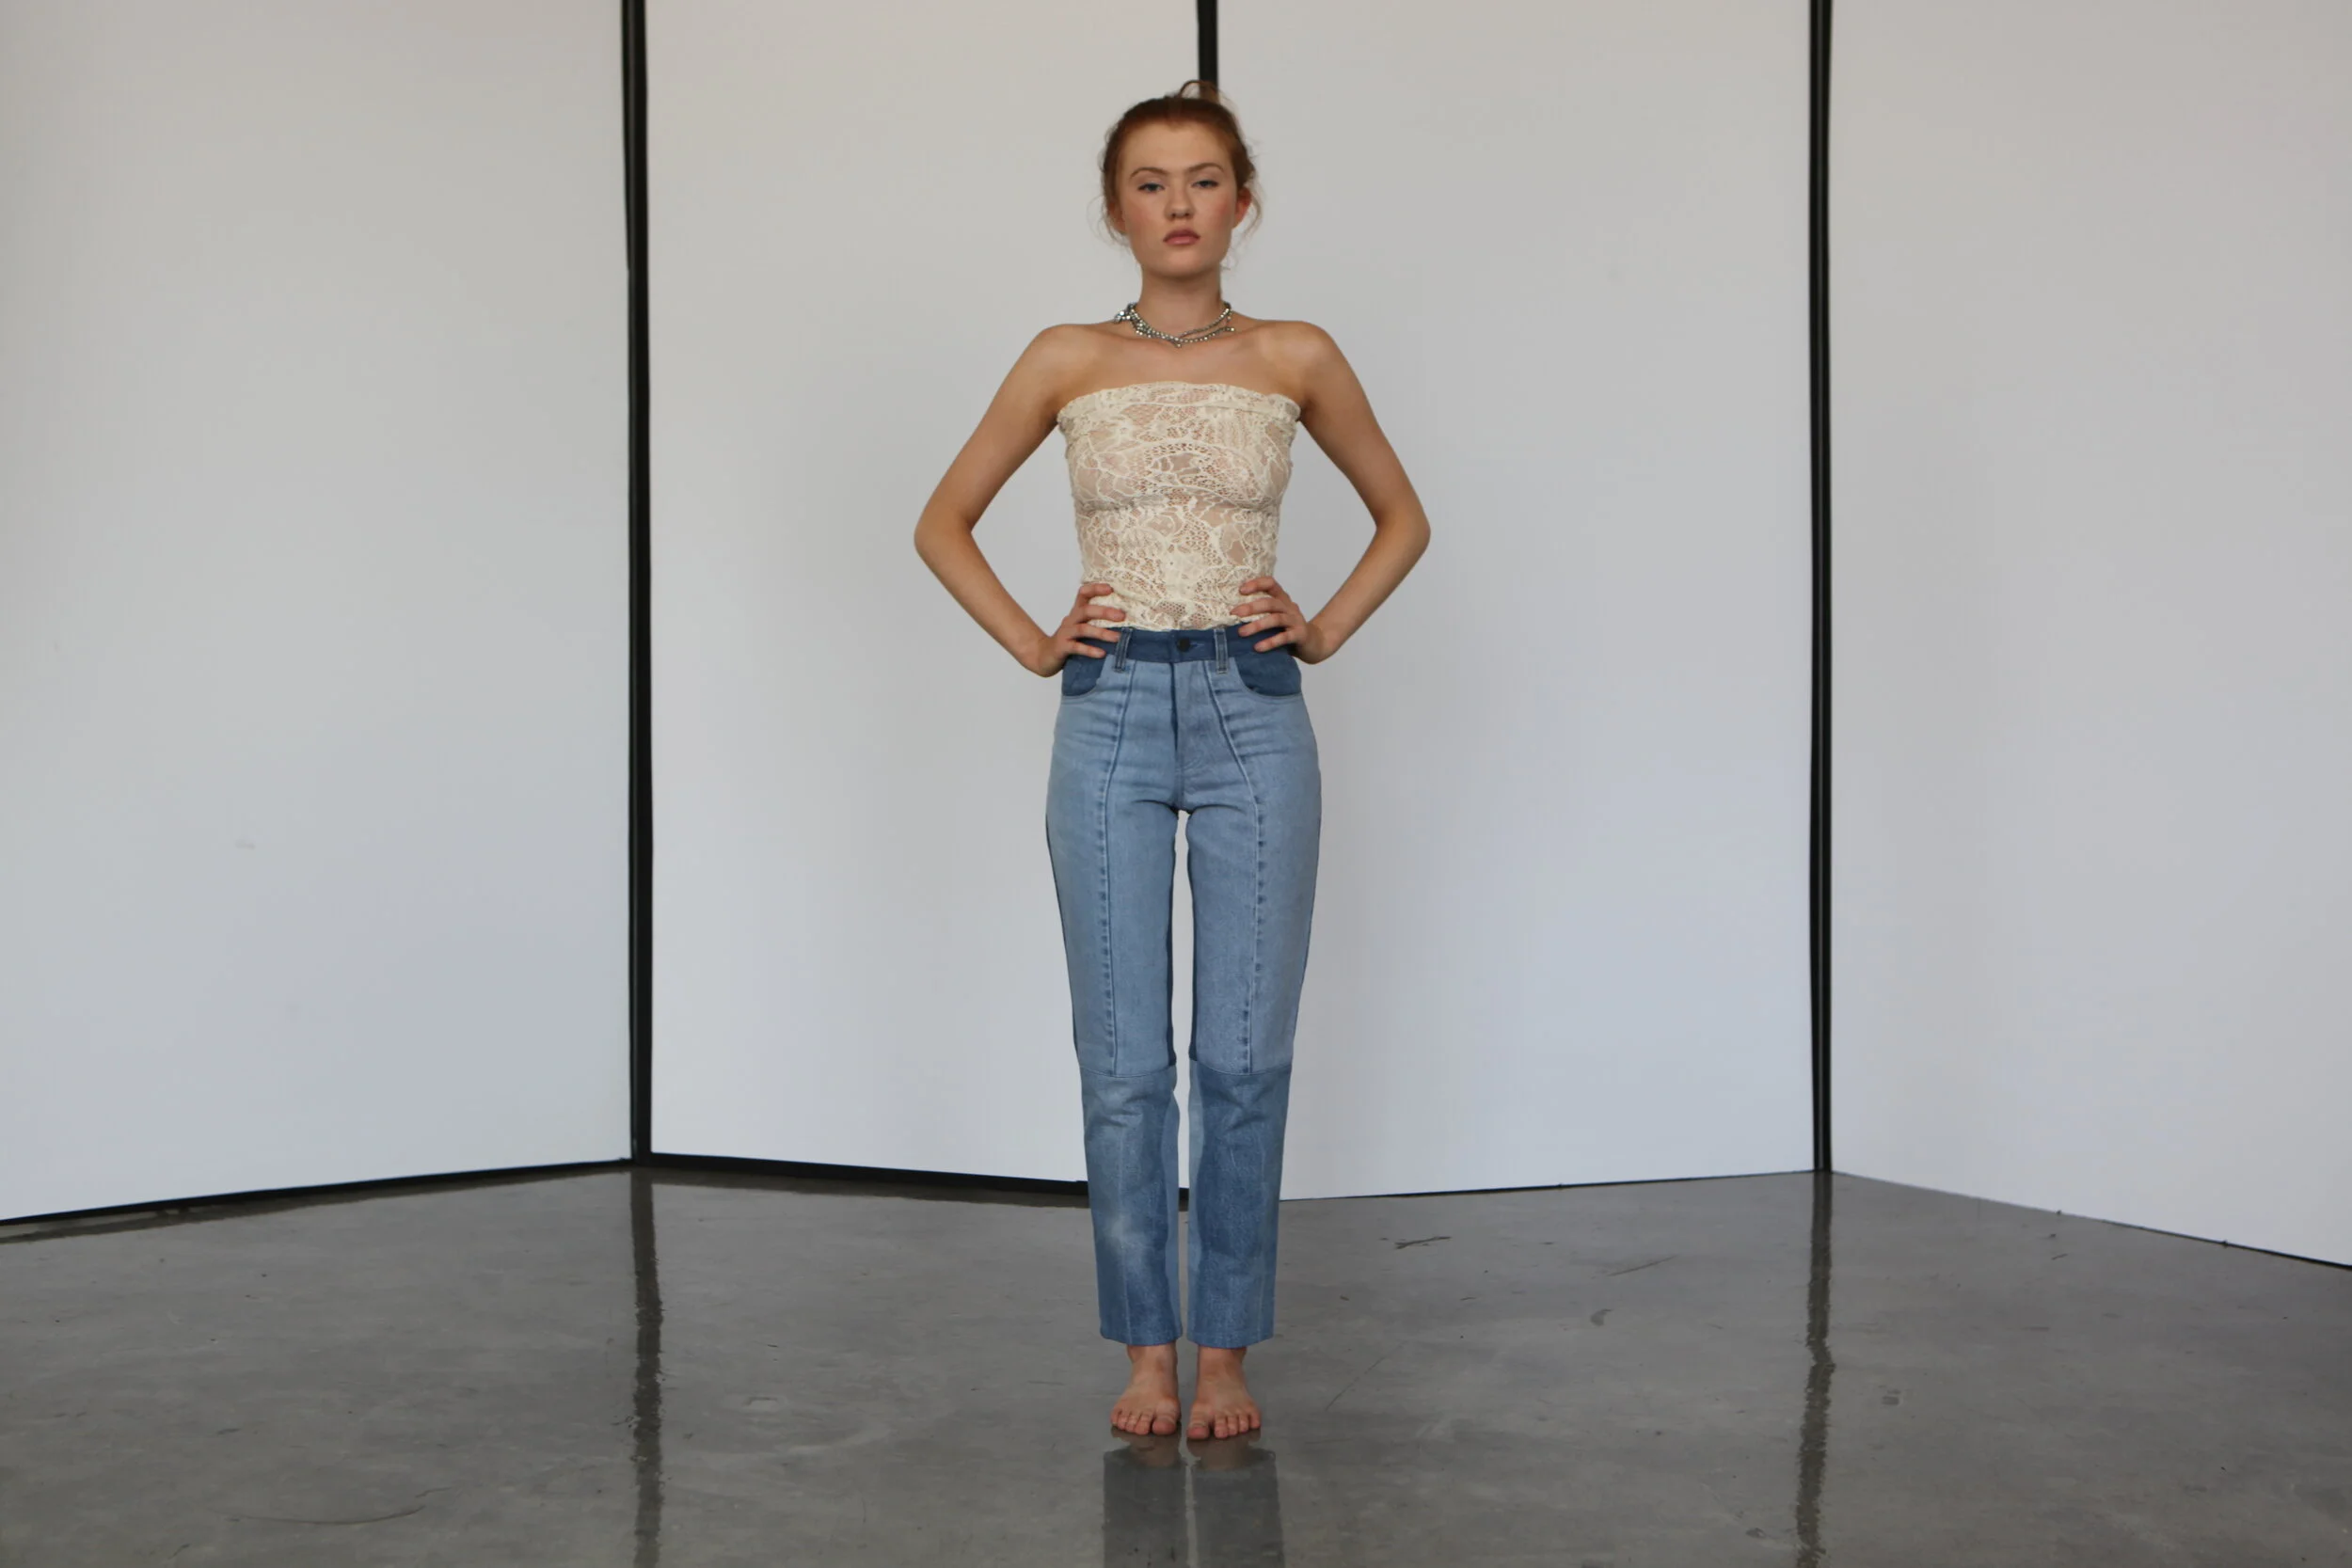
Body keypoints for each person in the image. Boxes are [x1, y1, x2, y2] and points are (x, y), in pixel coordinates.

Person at [913, 80, 1429, 1442]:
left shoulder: (1296, 354)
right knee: (1125, 1061)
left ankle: (1228, 1356)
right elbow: (943, 520)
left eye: (1204, 179)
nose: (1179, 204)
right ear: (1115, 208)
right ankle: (1148, 1350)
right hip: (1112, 708)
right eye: (1150, 182)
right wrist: (1038, 643)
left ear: (1242, 202)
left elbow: (1402, 515)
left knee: (1245, 1056)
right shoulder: (1065, 358)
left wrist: (1322, 626)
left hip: (1255, 704)